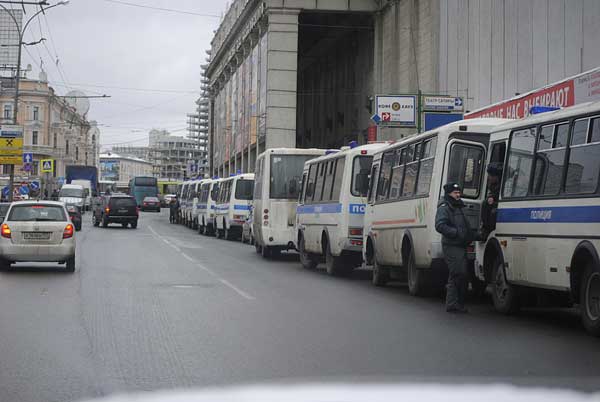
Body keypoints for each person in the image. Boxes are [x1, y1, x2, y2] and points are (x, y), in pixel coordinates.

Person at [435, 182, 474, 313]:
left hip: (460, 244)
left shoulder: (459, 206)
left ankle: (453, 303)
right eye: (455, 193)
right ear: (449, 194)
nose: (458, 194)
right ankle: (455, 303)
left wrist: (473, 235)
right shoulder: (445, 207)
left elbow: (465, 225)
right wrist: (455, 233)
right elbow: (440, 225)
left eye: (459, 192)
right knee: (459, 273)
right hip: (451, 245)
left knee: (456, 274)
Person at [480, 163, 502, 237]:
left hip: (501, 205)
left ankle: (487, 229)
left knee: (492, 211)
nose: (489, 177)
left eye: (490, 176)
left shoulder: (503, 185)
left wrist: (493, 201)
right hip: (495, 203)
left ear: (496, 176)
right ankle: (485, 228)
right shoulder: (492, 185)